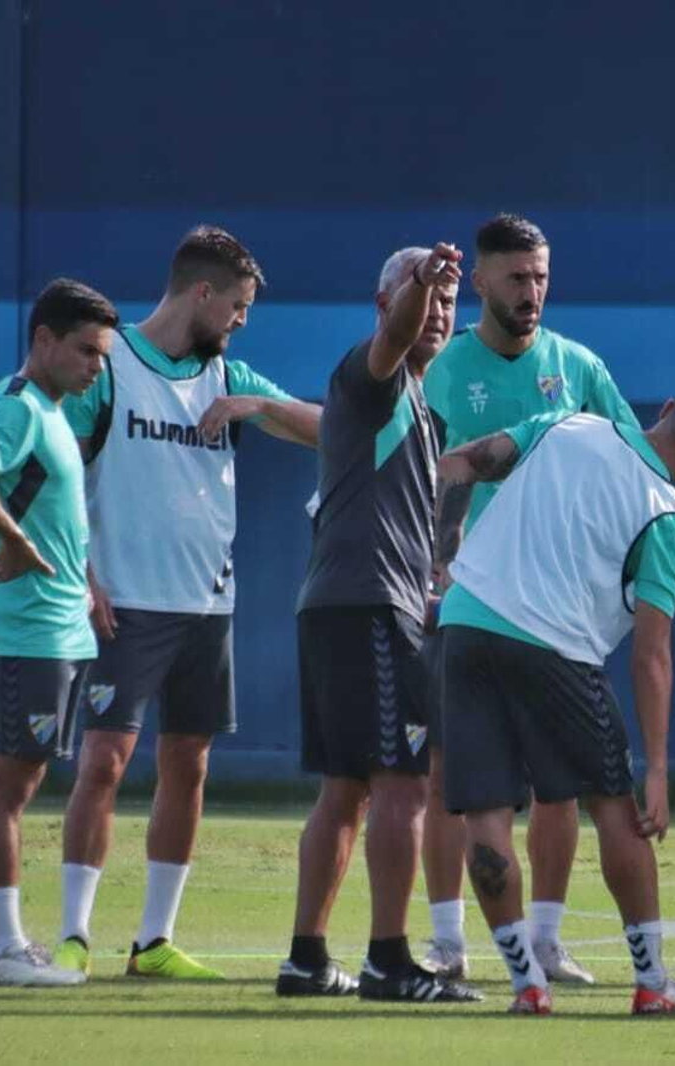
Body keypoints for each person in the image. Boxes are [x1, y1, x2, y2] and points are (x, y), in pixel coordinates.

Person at [432, 373, 675, 1015]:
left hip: (463, 623)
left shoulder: (566, 423)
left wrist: (439, 555)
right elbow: (652, 656)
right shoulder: (665, 517)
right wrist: (657, 770)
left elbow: (462, 462)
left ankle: (527, 985)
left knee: (485, 814)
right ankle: (653, 984)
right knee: (614, 808)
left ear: (664, 408)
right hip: (556, 650)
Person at [54, 226, 321, 979]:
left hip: (208, 606)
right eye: (236, 306)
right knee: (104, 761)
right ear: (201, 293)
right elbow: (57, 468)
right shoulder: (110, 368)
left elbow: (335, 430)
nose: (241, 321)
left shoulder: (227, 375)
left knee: (189, 764)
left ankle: (154, 941)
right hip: (124, 603)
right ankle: (74, 934)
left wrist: (254, 410)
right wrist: (81, 575)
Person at [418, 213, 638, 983]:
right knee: (452, 775)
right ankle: (448, 941)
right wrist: (430, 572)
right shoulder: (445, 370)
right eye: (516, 277)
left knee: (559, 782)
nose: (531, 290)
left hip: (559, 610)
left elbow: (630, 459)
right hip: (468, 604)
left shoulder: (577, 367)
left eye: (541, 276)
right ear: (479, 282)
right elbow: (419, 477)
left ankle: (546, 938)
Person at [275, 244, 483, 1002]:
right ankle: (390, 963)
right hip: (367, 606)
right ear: (384, 300)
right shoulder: (371, 376)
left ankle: (305, 959)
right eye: (424, 296)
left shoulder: (421, 409)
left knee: (347, 789)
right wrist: (422, 284)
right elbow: (396, 335)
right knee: (405, 784)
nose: (437, 311)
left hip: (343, 604)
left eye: (449, 301)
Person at [0, 279, 119, 986]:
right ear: (43, 340)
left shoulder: (48, 409)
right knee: (5, 786)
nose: (96, 367)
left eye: (103, 355)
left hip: (56, 632)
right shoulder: (15, 407)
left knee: (22, 780)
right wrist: (8, 537)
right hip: (25, 632)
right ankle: (1, 950)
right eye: (85, 351)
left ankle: (9, 945)